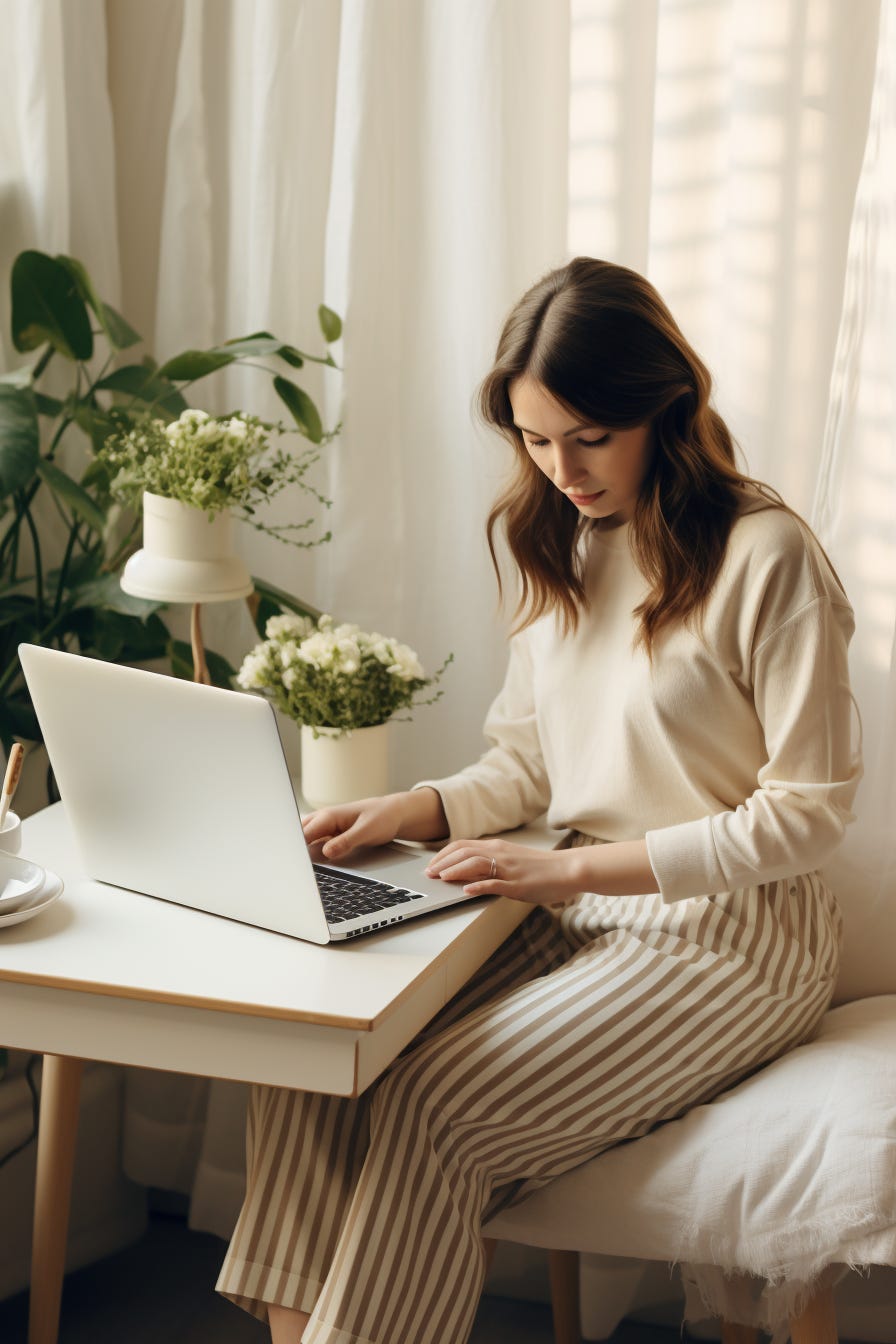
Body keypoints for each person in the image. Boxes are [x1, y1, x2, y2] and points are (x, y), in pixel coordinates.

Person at [217, 257, 861, 1344]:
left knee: (432, 1109)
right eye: (532, 438)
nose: (559, 467)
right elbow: (523, 766)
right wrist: (408, 807)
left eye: (586, 437)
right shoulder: (561, 542)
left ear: (663, 406)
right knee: (313, 1057)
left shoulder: (767, 555)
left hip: (731, 934)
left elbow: (805, 813)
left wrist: (560, 867)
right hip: (564, 910)